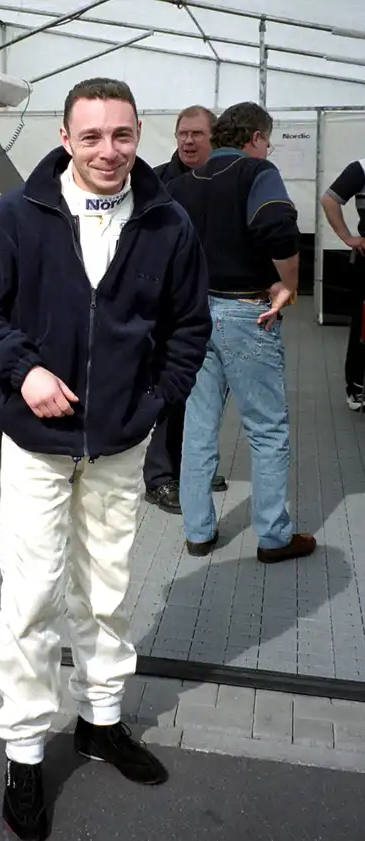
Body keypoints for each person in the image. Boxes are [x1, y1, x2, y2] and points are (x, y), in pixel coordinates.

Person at [0, 77, 211, 841]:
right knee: (30, 595)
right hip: (36, 442)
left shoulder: (166, 222)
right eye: (91, 136)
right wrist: (20, 370)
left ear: (139, 135)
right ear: (65, 137)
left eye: (122, 135)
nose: (108, 151)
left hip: (120, 443)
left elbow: (188, 325)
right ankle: (25, 751)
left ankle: (100, 720)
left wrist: (155, 396)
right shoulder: (17, 215)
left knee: (107, 587)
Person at [170, 101, 316, 564]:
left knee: (199, 425)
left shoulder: (181, 186)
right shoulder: (257, 173)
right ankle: (273, 536)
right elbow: (278, 227)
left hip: (195, 317)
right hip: (247, 314)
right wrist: (288, 288)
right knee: (267, 429)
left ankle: (198, 531)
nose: (268, 148)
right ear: (254, 137)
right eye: (267, 140)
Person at [145, 105, 227, 512]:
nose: (189, 141)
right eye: (183, 134)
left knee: (210, 392)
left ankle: (194, 465)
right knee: (175, 391)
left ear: (215, 137)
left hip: (218, 300)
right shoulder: (158, 182)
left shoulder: (227, 180)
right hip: (171, 306)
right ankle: (160, 477)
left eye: (197, 134)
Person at [321, 160, 365, 410]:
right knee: (363, 324)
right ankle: (357, 387)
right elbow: (329, 200)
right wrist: (348, 237)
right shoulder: (361, 168)